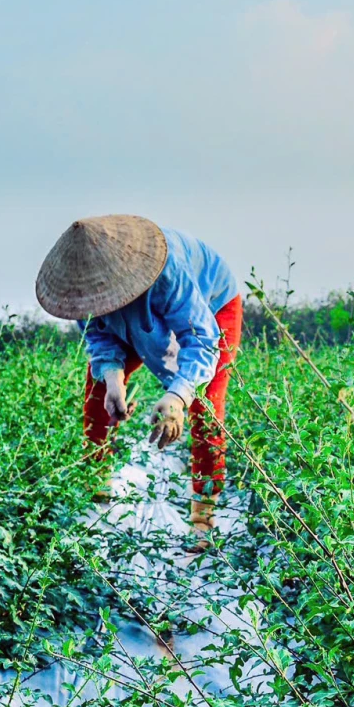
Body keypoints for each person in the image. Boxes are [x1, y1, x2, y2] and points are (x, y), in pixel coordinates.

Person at [35, 215, 242, 551]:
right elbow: (98, 338)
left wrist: (177, 397)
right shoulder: (81, 294)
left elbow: (201, 340)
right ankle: (96, 484)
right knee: (98, 393)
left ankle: (203, 517)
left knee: (206, 406)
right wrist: (113, 378)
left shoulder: (168, 273)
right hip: (136, 316)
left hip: (212, 302)